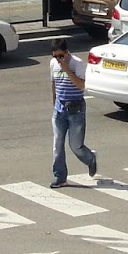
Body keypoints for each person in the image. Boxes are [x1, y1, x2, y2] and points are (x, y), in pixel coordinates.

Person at [47, 37, 97, 189]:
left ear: (67, 52)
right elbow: (54, 83)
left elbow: (82, 85)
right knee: (57, 145)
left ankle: (90, 159)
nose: (58, 59)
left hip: (75, 110)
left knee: (75, 146)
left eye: (61, 56)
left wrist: (67, 69)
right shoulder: (53, 64)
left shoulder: (77, 63)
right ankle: (60, 177)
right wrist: (54, 103)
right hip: (59, 110)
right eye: (55, 56)